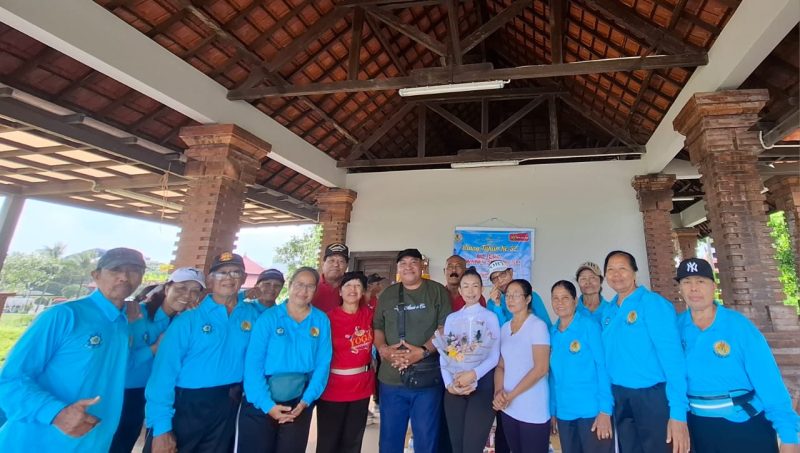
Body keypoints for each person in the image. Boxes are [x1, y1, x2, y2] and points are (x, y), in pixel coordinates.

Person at [0, 247, 146, 452]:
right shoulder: (64, 315)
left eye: (134, 270)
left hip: (94, 443)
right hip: (37, 442)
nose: (124, 277)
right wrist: (55, 412)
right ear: (96, 275)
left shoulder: (124, 323)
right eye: (115, 269)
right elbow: (9, 380)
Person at [675, 258, 799, 453]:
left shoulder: (739, 326)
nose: (694, 288)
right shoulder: (675, 328)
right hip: (697, 429)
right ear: (680, 289)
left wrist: (789, 436)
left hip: (743, 426)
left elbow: (768, 381)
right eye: (686, 282)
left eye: (700, 281)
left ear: (713, 286)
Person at [145, 252, 260, 453]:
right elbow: (163, 375)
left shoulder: (254, 316)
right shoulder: (188, 318)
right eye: (221, 273)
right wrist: (162, 427)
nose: (228, 277)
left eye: (235, 272)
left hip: (228, 405)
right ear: (210, 280)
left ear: (243, 279)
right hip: (185, 405)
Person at [600, 250, 689, 453]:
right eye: (611, 270)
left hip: (653, 397)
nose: (616, 274)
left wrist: (678, 411)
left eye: (622, 268)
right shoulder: (608, 311)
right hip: (621, 396)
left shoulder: (653, 304)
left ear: (634, 272)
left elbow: (673, 360)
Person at [110, 267, 205, 453]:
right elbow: (119, 362)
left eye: (195, 291)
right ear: (167, 288)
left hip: (156, 396)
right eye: (181, 288)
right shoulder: (136, 314)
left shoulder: (185, 321)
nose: (187, 295)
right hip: (123, 393)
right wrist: (154, 348)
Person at [238, 267, 332, 453]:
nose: (303, 291)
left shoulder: (321, 320)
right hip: (262, 400)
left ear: (315, 290)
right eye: (299, 284)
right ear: (290, 286)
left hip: (299, 401)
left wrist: (306, 401)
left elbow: (323, 364)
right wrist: (267, 405)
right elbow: (253, 364)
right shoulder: (269, 317)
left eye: (310, 286)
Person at [373, 248, 451, 453]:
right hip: (391, 378)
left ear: (422, 265)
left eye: (413, 262)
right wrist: (383, 350)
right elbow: (378, 327)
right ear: (398, 268)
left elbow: (444, 328)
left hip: (427, 378)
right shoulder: (388, 294)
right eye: (403, 263)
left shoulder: (437, 291)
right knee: (389, 439)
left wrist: (423, 351)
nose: (408, 267)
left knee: (426, 439)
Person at [549, 280, 613, 453]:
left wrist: (605, 410)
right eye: (555, 298)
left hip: (592, 412)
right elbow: (553, 377)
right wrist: (552, 410)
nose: (560, 303)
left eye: (565, 298)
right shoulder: (552, 333)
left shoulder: (589, 326)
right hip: (564, 413)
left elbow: (602, 367)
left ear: (575, 301)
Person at [440, 267, 500, 453]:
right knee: (457, 445)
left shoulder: (490, 317)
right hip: (455, 386)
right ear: (460, 290)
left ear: (481, 289)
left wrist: (473, 374)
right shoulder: (452, 318)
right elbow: (446, 354)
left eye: (475, 286)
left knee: (473, 446)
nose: (470, 290)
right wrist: (449, 385)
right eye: (465, 286)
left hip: (482, 386)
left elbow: (494, 355)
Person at [316, 271, 374, 453]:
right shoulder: (327, 319)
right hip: (333, 388)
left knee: (353, 442)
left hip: (361, 387)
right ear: (340, 292)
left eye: (357, 286)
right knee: (328, 442)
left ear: (363, 292)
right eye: (348, 285)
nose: (352, 289)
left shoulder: (369, 315)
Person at [492, 279, 551, 453]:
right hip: (509, 409)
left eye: (516, 295)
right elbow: (501, 366)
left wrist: (510, 395)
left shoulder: (537, 326)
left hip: (532, 408)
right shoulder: (504, 328)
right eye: (508, 295)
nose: (510, 299)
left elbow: (541, 369)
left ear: (528, 299)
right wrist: (498, 392)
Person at [486, 260, 552, 328]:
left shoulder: (530, 295)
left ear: (511, 273)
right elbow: (495, 330)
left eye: (503, 274)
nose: (500, 280)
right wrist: (497, 305)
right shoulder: (491, 303)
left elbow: (547, 325)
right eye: (494, 278)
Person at [312, 243, 349, 313]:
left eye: (341, 261)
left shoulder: (352, 288)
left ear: (346, 266)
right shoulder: (312, 285)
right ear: (323, 264)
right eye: (331, 260)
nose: (336, 265)